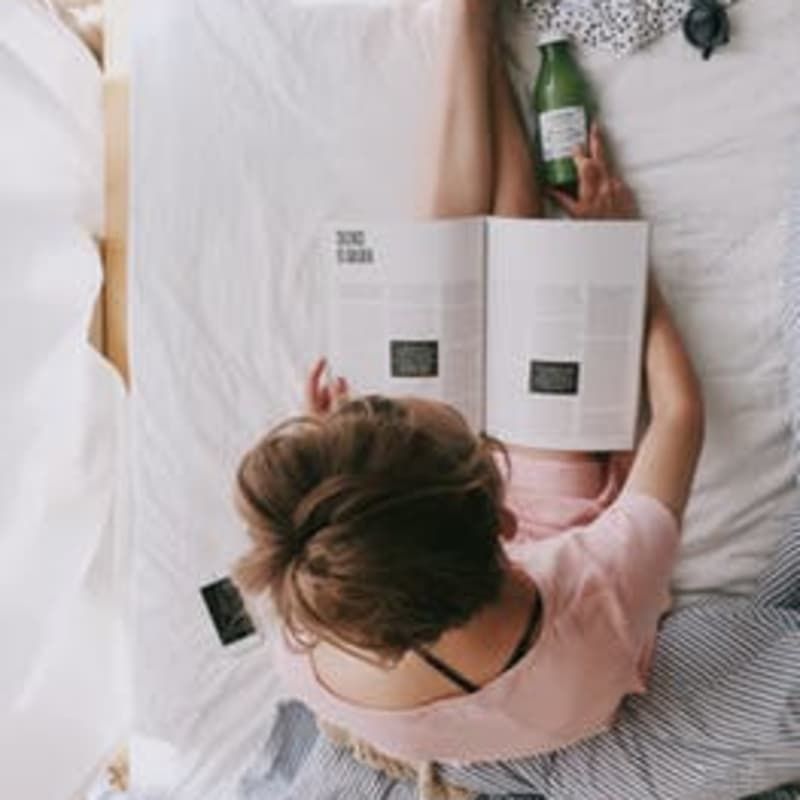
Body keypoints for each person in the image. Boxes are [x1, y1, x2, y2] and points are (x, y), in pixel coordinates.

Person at [234, 2, 799, 797]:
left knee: (442, 288)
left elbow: (341, 544)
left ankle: (464, 23)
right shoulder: (596, 590)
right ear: (499, 513)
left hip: (440, 580)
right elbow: (679, 414)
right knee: (523, 283)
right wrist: (623, 254)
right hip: (545, 561)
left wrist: (344, 470)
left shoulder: (311, 633)